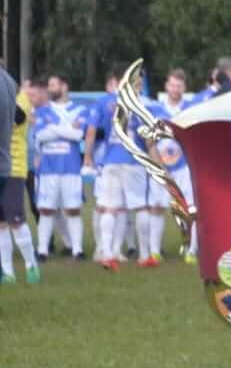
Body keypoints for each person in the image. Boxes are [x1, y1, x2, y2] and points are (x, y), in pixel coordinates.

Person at [87, 66, 140, 269]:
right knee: (124, 208)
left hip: (109, 160)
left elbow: (91, 131)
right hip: (132, 161)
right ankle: (117, 250)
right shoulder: (136, 100)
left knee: (108, 207)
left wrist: (88, 157)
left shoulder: (104, 101)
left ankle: (106, 250)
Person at [32, 74, 90, 262]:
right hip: (48, 168)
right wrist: (66, 129)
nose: (49, 89)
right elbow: (40, 136)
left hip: (71, 167)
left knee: (73, 209)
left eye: (53, 85)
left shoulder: (79, 109)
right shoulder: (42, 110)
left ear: (64, 87)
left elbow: (79, 135)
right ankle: (42, 251)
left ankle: (77, 250)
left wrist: (54, 128)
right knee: (46, 209)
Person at [149, 69, 199, 262]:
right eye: (172, 85)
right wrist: (157, 164)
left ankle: (191, 251)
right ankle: (154, 251)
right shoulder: (155, 109)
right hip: (161, 166)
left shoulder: (192, 108)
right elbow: (149, 139)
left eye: (179, 85)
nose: (175, 89)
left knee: (190, 208)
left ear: (184, 88)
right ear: (166, 86)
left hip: (185, 166)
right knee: (157, 207)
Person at [1, 62, 40, 286]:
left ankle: (30, 264)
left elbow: (16, 119)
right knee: (1, 223)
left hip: (14, 167)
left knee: (15, 220)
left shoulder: (20, 101)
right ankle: (8, 272)